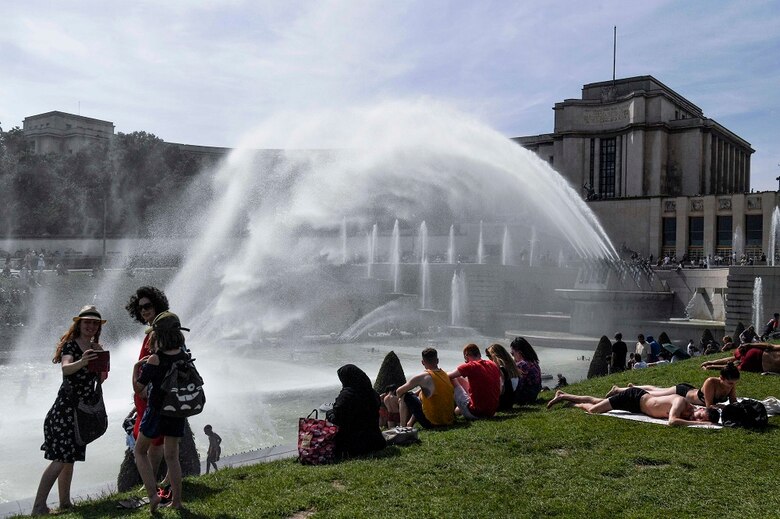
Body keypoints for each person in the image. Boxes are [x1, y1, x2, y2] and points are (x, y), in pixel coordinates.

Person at [32, 306, 108, 516]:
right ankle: (39, 506)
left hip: (81, 411)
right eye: (87, 322)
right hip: (65, 410)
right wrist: (83, 361)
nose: (91, 326)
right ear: (79, 324)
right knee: (60, 459)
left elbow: (99, 379)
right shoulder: (71, 346)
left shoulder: (96, 348)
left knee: (69, 458)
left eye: (94, 323)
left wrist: (102, 367)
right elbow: (66, 368)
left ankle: (65, 502)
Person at [133, 311, 191, 511]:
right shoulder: (184, 356)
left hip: (156, 411)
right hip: (176, 411)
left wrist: (135, 368)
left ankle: (152, 496)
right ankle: (177, 501)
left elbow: (139, 388)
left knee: (140, 451)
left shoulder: (155, 359)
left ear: (157, 335)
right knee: (172, 457)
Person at [125, 286, 170, 490]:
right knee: (156, 440)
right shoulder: (151, 332)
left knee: (155, 441)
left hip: (155, 395)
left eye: (148, 306)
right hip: (146, 397)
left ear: (157, 304)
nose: (143, 310)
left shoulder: (161, 331)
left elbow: (160, 363)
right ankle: (158, 482)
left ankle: (151, 486)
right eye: (140, 307)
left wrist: (145, 386)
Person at [547, 388, 720, 426]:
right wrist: (702, 424)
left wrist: (700, 422)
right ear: (702, 409)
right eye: (699, 416)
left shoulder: (687, 413)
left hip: (639, 407)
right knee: (593, 410)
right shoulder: (681, 403)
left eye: (699, 420)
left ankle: (564, 396)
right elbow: (672, 422)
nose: (695, 419)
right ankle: (572, 402)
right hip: (634, 397)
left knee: (596, 401)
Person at [606, 363, 739, 408]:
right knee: (652, 393)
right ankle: (618, 390)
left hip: (690, 390)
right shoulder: (711, 382)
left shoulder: (730, 384)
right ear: (721, 378)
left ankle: (632, 387)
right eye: (729, 383)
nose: (730, 386)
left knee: (655, 390)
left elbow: (733, 402)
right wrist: (721, 406)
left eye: (733, 384)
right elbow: (709, 406)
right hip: (682, 392)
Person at [325, 364, 386, 458]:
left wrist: (329, 413)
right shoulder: (373, 394)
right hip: (376, 441)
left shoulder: (347, 396)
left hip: (353, 446)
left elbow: (337, 419)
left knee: (330, 414)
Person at [396, 348, 455, 428]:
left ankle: (402, 427)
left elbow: (399, 391)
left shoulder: (422, 377)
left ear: (423, 362)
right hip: (448, 420)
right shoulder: (444, 374)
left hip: (432, 423)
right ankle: (409, 424)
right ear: (437, 361)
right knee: (421, 395)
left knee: (404, 396)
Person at [448, 343, 501, 419]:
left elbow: (448, 376)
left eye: (465, 360)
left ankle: (444, 409)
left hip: (476, 413)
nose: (466, 362)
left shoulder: (470, 366)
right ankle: (457, 410)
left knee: (452, 377)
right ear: (479, 354)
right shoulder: (492, 364)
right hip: (490, 412)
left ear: (466, 356)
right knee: (459, 378)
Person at [702, 343, 780, 374]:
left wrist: (750, 345)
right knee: (734, 364)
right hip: (759, 364)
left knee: (734, 360)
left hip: (757, 357)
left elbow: (770, 346)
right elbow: (770, 346)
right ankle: (710, 366)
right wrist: (750, 345)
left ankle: (710, 364)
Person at [485, 343, 521, 410]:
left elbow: (500, 390)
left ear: (495, 356)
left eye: (489, 356)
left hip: (501, 404)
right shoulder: (512, 367)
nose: (489, 359)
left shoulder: (501, 369)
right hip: (509, 403)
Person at [509, 337, 542, 405]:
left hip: (524, 398)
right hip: (533, 395)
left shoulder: (522, 364)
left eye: (512, 354)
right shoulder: (533, 362)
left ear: (519, 352)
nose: (513, 357)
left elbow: (518, 386)